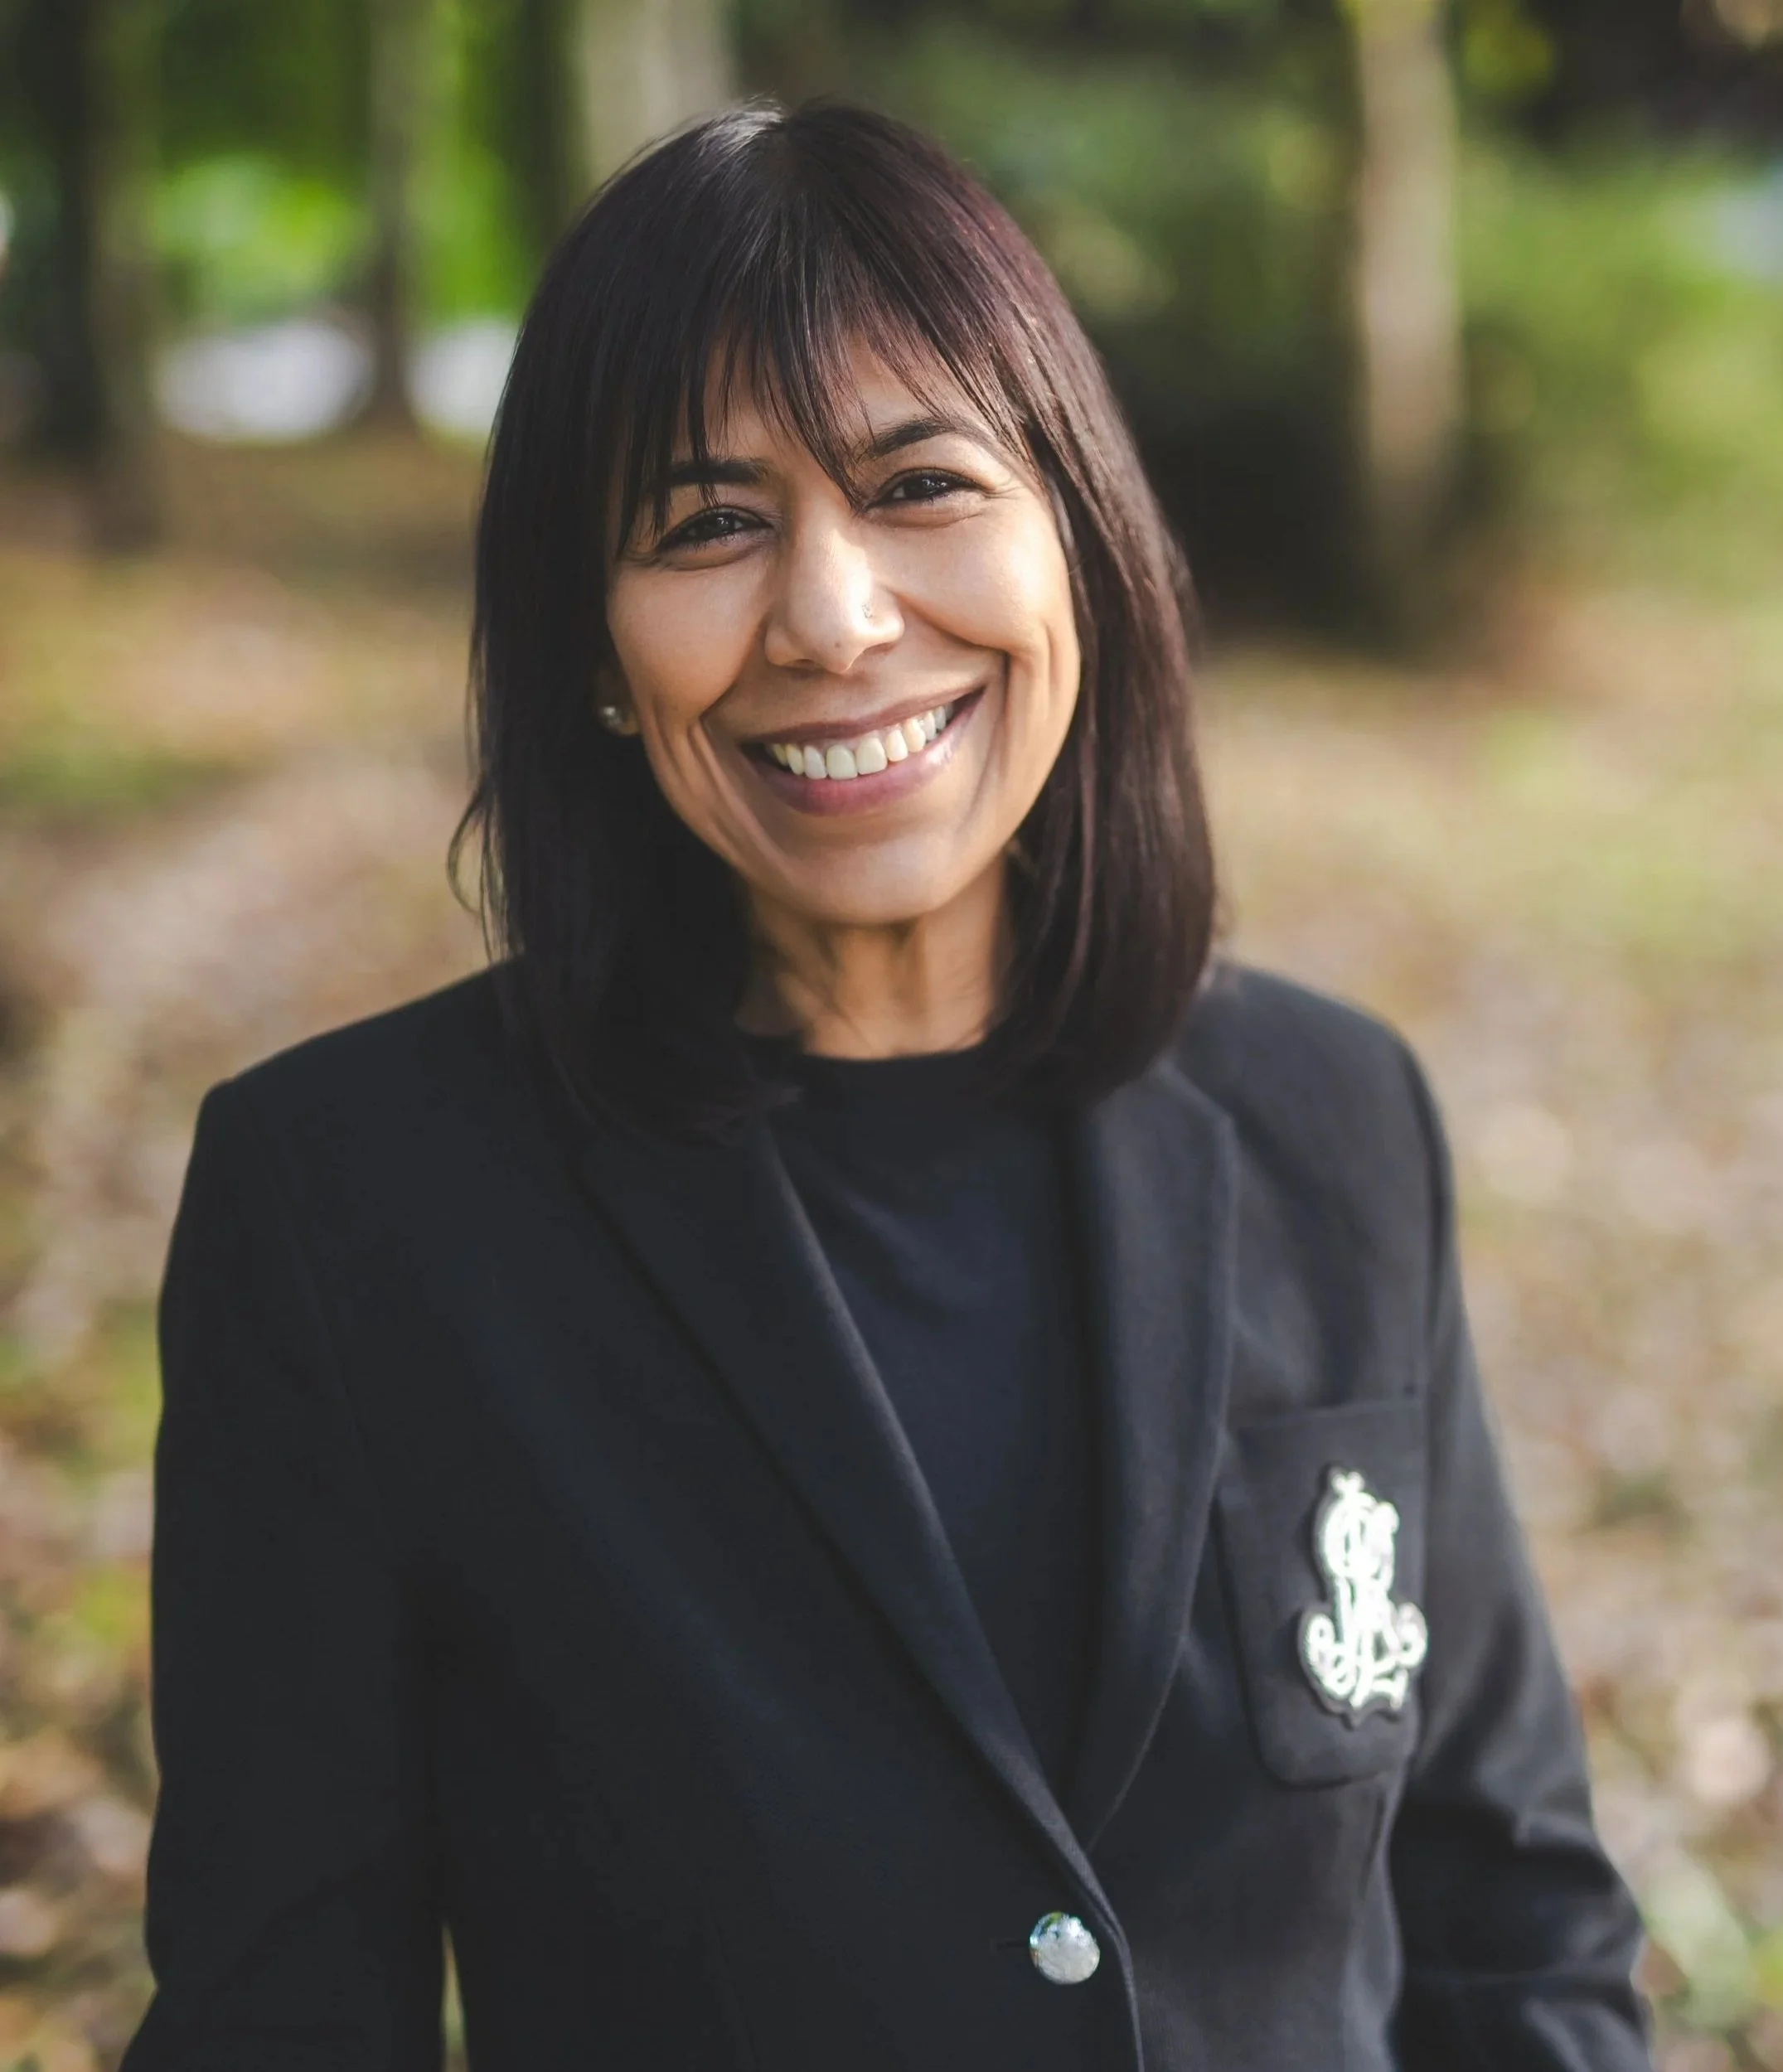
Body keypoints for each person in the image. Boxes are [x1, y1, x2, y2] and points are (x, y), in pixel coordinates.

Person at [123, 100, 1654, 2072]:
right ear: (595, 646)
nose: (834, 618)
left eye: (919, 482)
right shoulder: (351, 1211)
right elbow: (279, 2021)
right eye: (705, 522)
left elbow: (1510, 1919)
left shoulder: (1335, 1116)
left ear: (1075, 543)